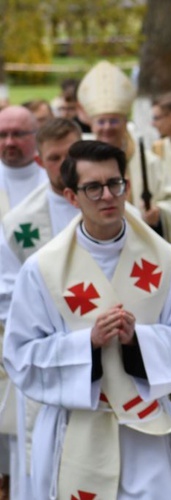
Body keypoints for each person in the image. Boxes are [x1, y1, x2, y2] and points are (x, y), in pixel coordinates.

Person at [2, 140, 171, 500]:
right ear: (71, 197)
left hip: (147, 433)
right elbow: (20, 355)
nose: (107, 196)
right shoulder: (43, 270)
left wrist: (139, 340)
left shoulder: (165, 259)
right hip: (78, 428)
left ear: (125, 185)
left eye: (115, 184)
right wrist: (87, 343)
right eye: (93, 188)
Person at [0, 118, 82, 500]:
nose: (66, 166)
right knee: (43, 460)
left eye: (72, 155)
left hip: (108, 356)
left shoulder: (106, 201)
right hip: (50, 355)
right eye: (55, 158)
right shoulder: (18, 225)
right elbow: (7, 294)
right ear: (40, 160)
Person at [77, 61, 171, 246]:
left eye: (113, 121)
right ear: (92, 125)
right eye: (101, 122)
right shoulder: (80, 162)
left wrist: (159, 213)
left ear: (125, 121)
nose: (107, 128)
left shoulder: (149, 162)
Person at [0, 106, 48, 218]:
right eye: (2, 135)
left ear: (36, 135)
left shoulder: (53, 176)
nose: (9, 142)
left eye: (18, 134)